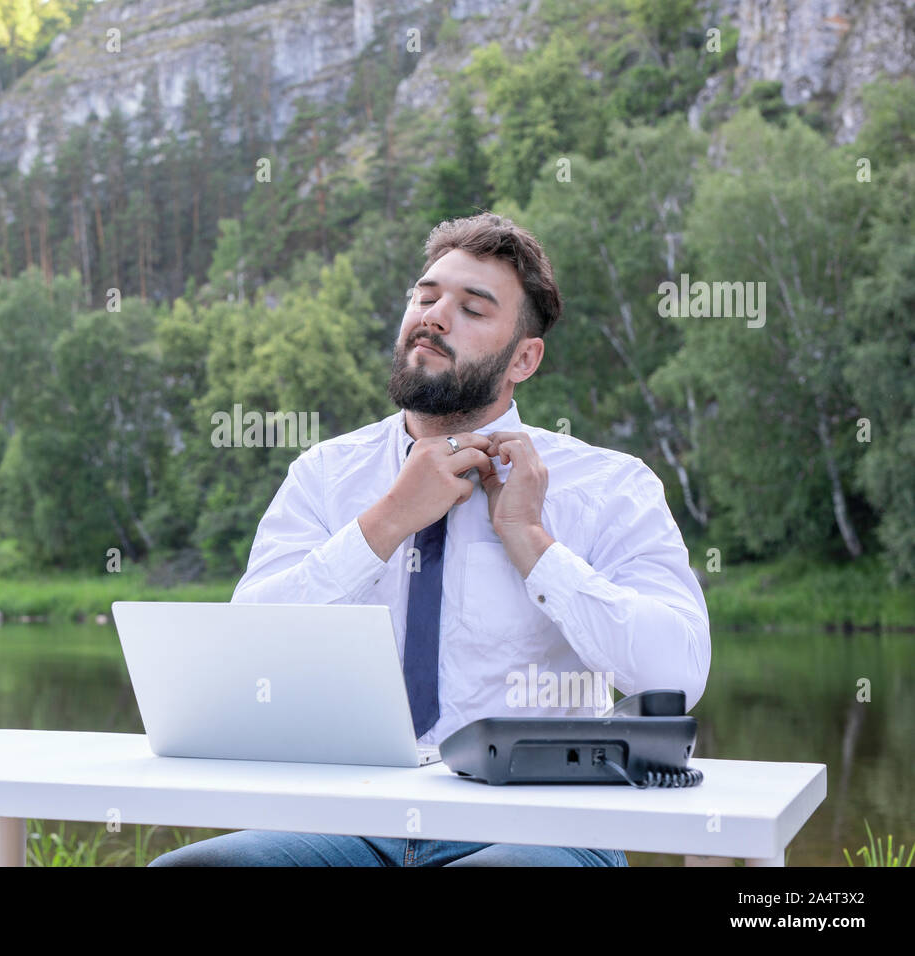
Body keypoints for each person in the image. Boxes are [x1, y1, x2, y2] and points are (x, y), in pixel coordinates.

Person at [148, 212, 711, 867]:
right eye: (425, 297)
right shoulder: (326, 476)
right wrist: (384, 522)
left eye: (472, 308)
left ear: (524, 358)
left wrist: (532, 541)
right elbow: (242, 659)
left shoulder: (610, 485)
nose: (435, 316)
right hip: (349, 823)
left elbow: (677, 674)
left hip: (538, 825)